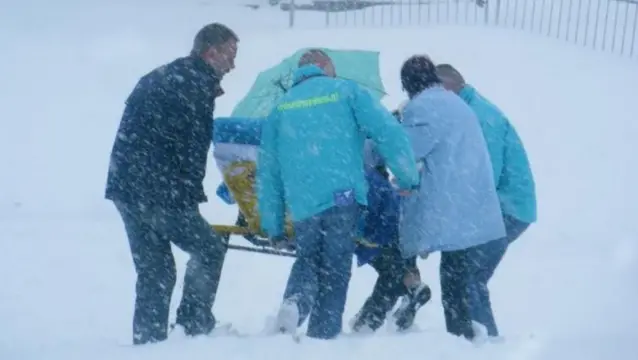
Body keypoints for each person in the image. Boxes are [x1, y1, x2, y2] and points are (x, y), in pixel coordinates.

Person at [257, 49, 420, 340]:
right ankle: (323, 338)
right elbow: (388, 132)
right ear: (324, 68)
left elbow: (268, 172)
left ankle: (295, 302)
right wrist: (408, 175)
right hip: (342, 196)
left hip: (303, 202)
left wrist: (273, 224)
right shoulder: (347, 91)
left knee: (308, 258)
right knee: (335, 265)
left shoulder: (280, 109)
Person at [104, 23, 239, 345]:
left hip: (126, 187)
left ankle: (149, 340)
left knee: (156, 271)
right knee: (208, 248)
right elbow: (190, 147)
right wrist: (186, 194)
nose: (233, 65)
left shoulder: (165, 75)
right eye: (230, 55)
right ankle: (193, 328)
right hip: (158, 190)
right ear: (212, 51)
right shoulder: (194, 85)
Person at [397, 55, 506, 340]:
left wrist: (392, 130)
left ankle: (462, 342)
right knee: (461, 281)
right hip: (475, 207)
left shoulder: (422, 108)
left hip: (456, 211)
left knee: (454, 285)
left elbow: (405, 155)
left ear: (408, 85)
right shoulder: (454, 103)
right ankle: (474, 340)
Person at [435, 63, 537, 338]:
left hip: (506, 209)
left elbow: (484, 177)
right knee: (461, 275)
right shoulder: (463, 113)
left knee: (468, 276)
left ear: (449, 89)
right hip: (486, 209)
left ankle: (484, 343)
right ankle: (471, 341)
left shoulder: (480, 118)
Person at [350, 165, 431, 334]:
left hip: (374, 210)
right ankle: (412, 286)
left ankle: (369, 320)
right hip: (397, 209)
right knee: (399, 260)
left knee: (391, 271)